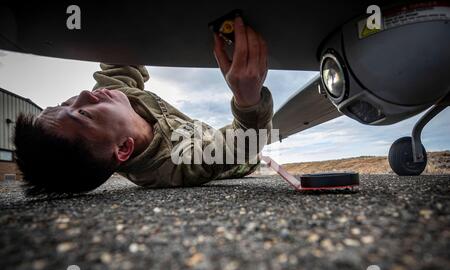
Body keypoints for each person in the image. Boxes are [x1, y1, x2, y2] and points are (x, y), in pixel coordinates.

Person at [13, 17, 273, 195]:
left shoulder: (108, 99)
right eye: (82, 114)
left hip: (202, 133)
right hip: (241, 160)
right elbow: (239, 146)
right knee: (245, 153)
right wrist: (247, 100)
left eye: (66, 103)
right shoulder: (173, 167)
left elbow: (121, 60)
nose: (83, 94)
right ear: (124, 147)